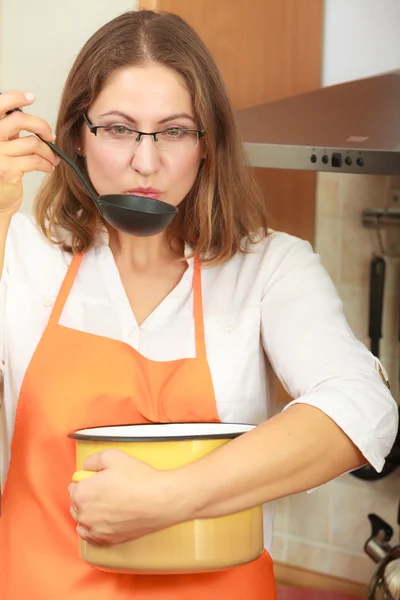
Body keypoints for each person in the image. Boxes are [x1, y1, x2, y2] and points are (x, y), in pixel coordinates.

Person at [0, 9, 397, 600]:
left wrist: (171, 497)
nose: (145, 161)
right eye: (117, 127)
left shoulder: (269, 268)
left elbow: (364, 408)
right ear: (75, 137)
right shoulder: (22, 256)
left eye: (175, 130)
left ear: (207, 144)